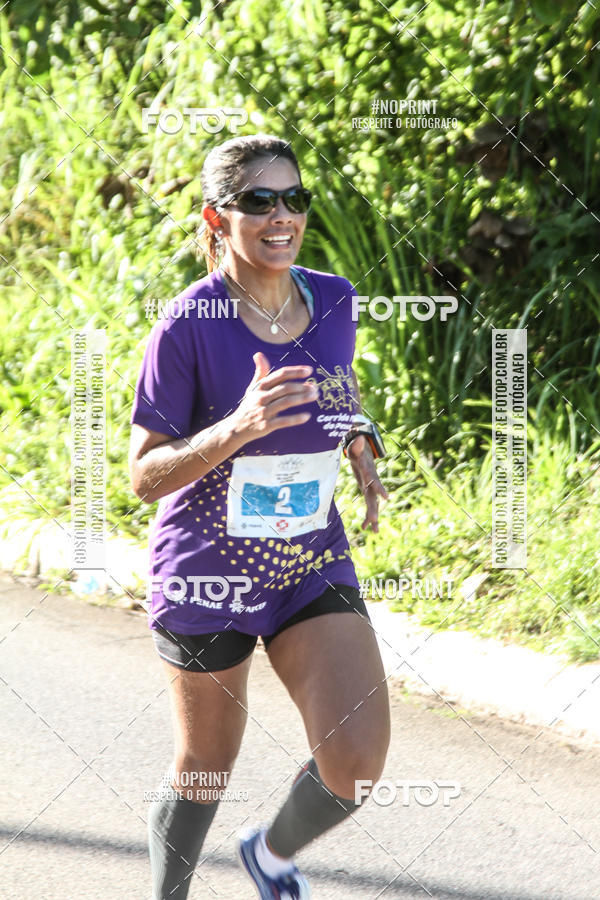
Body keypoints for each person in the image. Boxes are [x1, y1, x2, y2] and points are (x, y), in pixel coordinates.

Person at [129, 133, 391, 899]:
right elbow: (144, 475)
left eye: (294, 199)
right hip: (207, 572)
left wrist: (360, 441)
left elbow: (336, 384)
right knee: (204, 771)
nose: (282, 216)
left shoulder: (333, 297)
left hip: (308, 559)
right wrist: (235, 428)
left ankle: (271, 856)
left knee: (358, 758)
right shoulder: (186, 325)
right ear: (219, 217)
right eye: (259, 201)